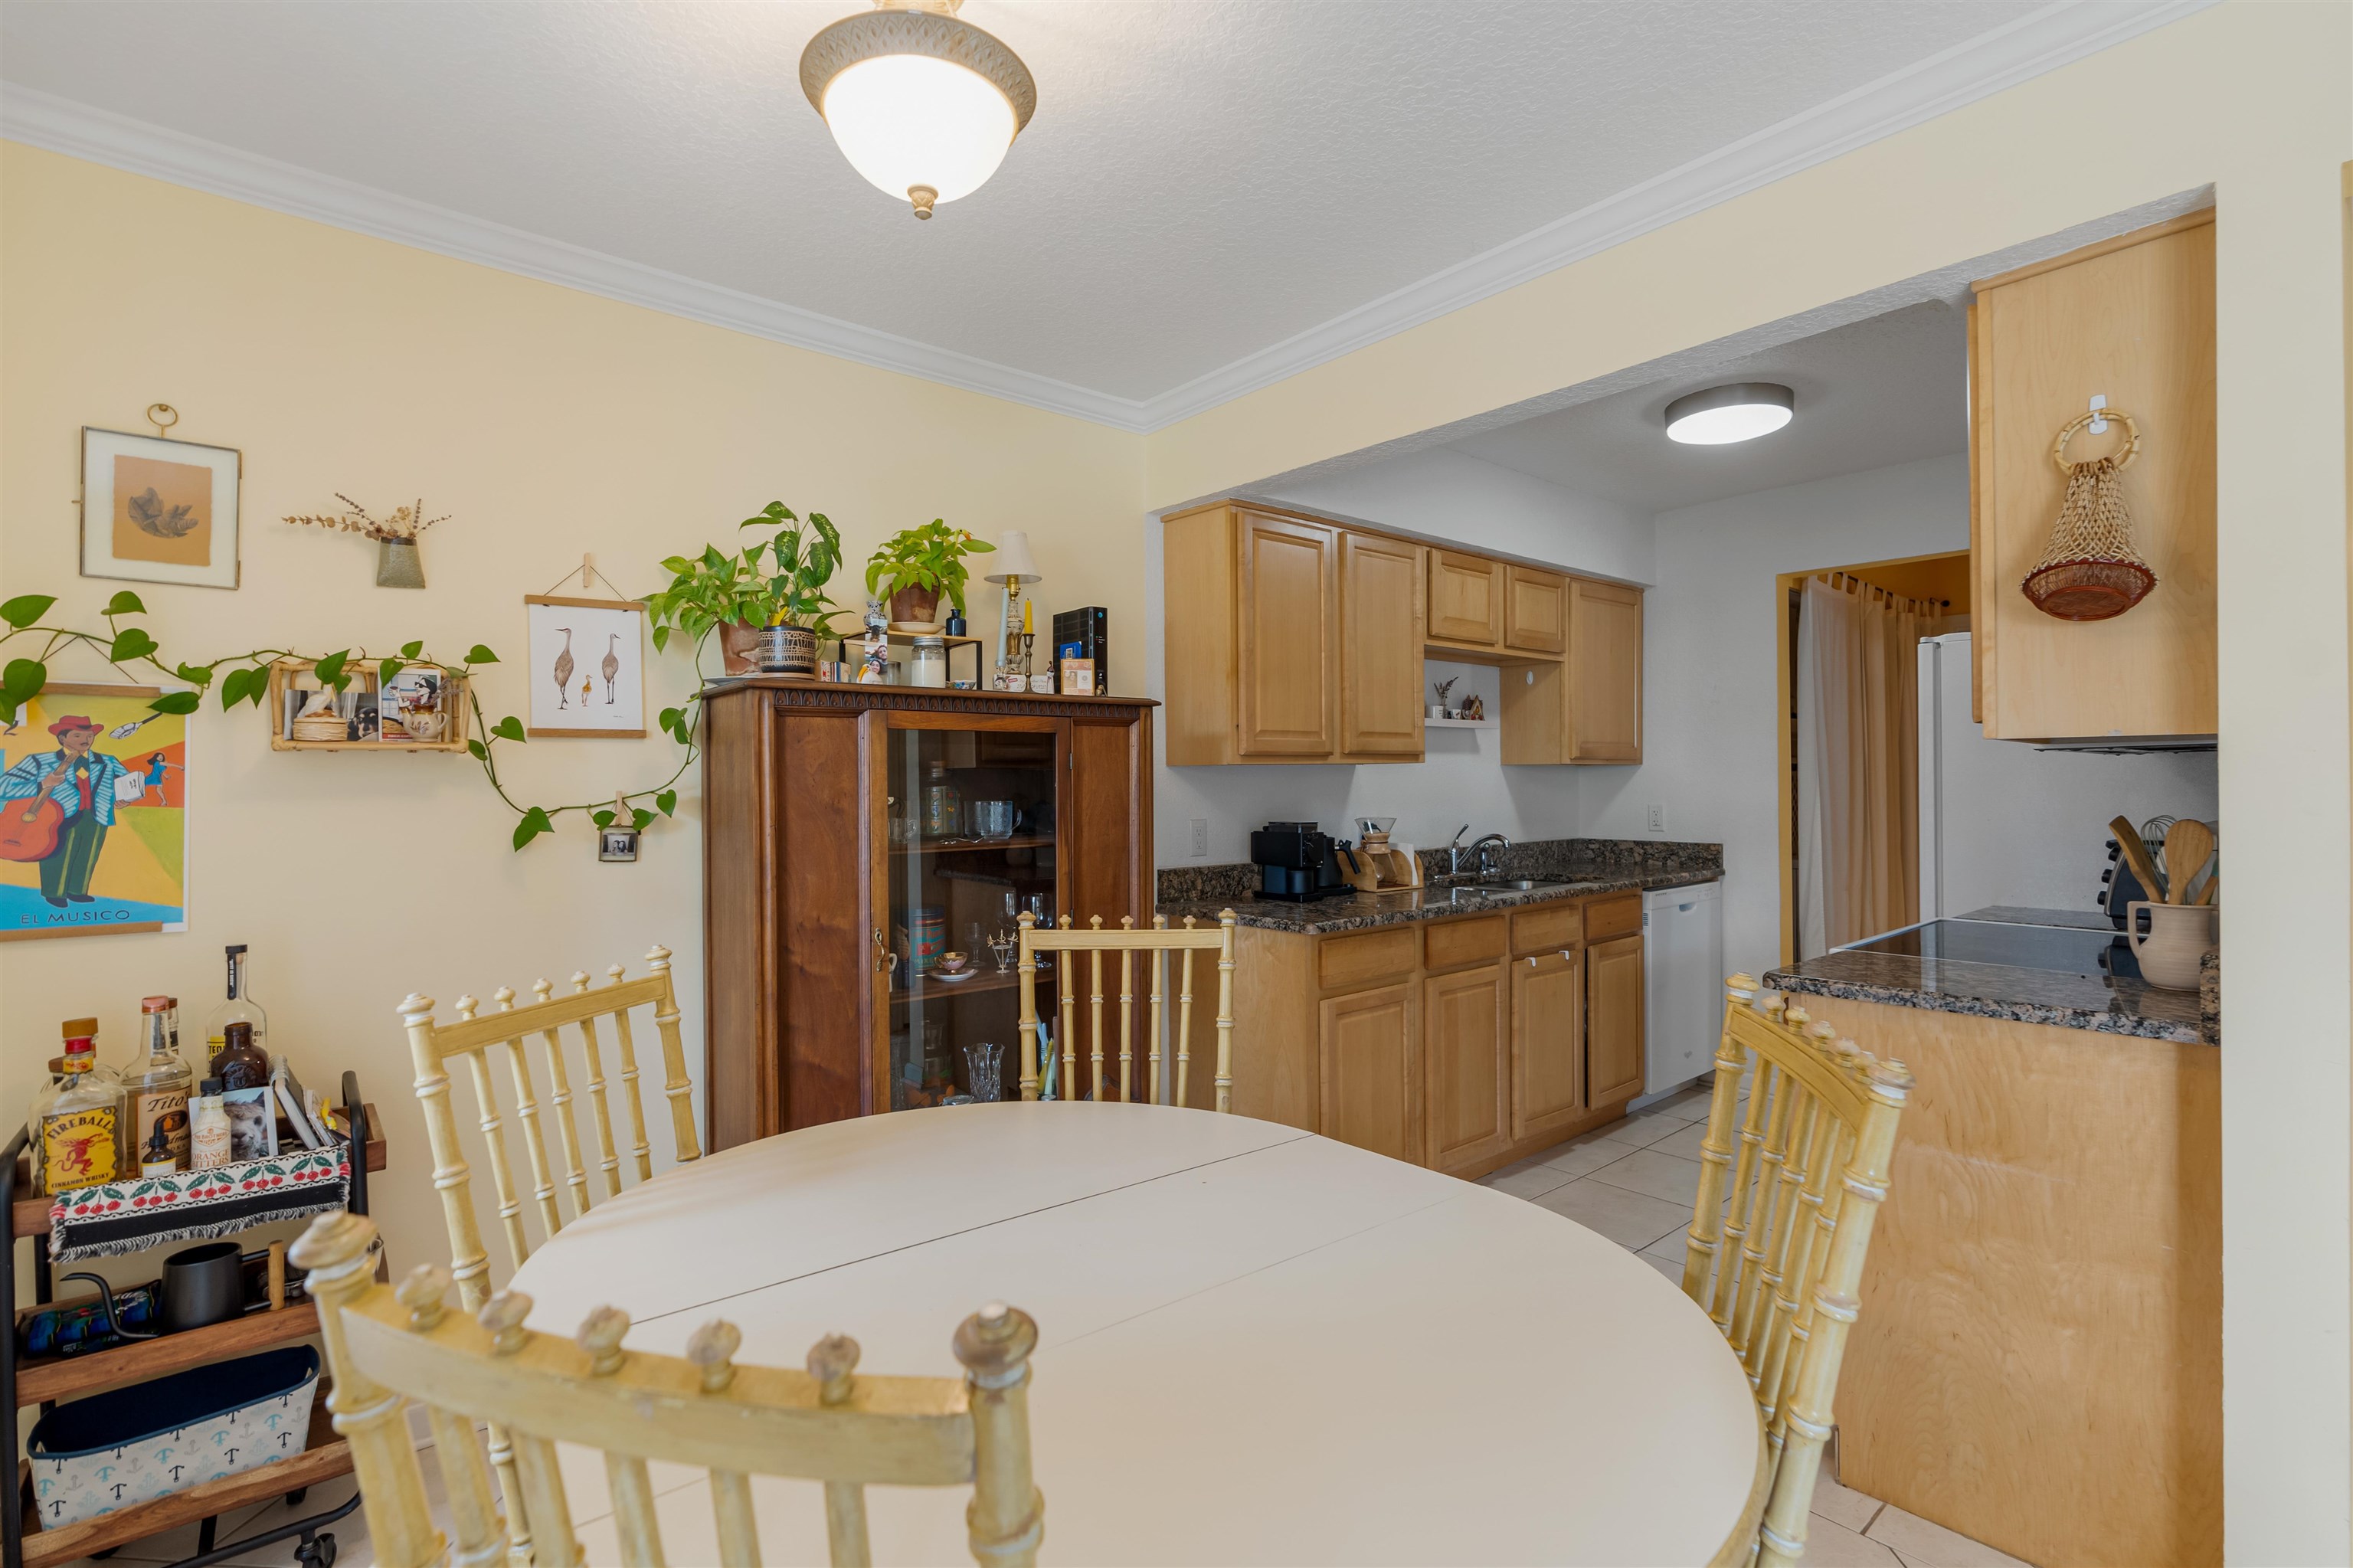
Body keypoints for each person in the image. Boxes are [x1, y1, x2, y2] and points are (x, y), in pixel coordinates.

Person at [0, 715, 130, 907]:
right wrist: (43, 783)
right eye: (77, 735)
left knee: (88, 852)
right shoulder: (39, 761)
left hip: (97, 815)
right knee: (56, 852)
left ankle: (78, 890)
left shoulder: (107, 761)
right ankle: (55, 893)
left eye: (89, 735)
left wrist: (126, 797)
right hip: (54, 817)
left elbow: (128, 782)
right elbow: (4, 786)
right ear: (62, 738)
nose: (85, 740)